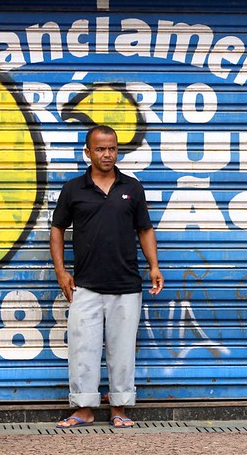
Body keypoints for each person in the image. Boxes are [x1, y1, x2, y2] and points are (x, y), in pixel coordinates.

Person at [49, 125, 163, 429]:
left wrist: (154, 266)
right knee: (82, 349)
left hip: (126, 285)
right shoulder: (73, 189)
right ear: (88, 152)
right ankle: (84, 409)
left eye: (112, 148)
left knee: (123, 350)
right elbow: (57, 230)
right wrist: (61, 272)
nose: (107, 154)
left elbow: (145, 229)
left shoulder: (132, 187)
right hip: (85, 285)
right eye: (100, 149)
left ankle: (120, 408)